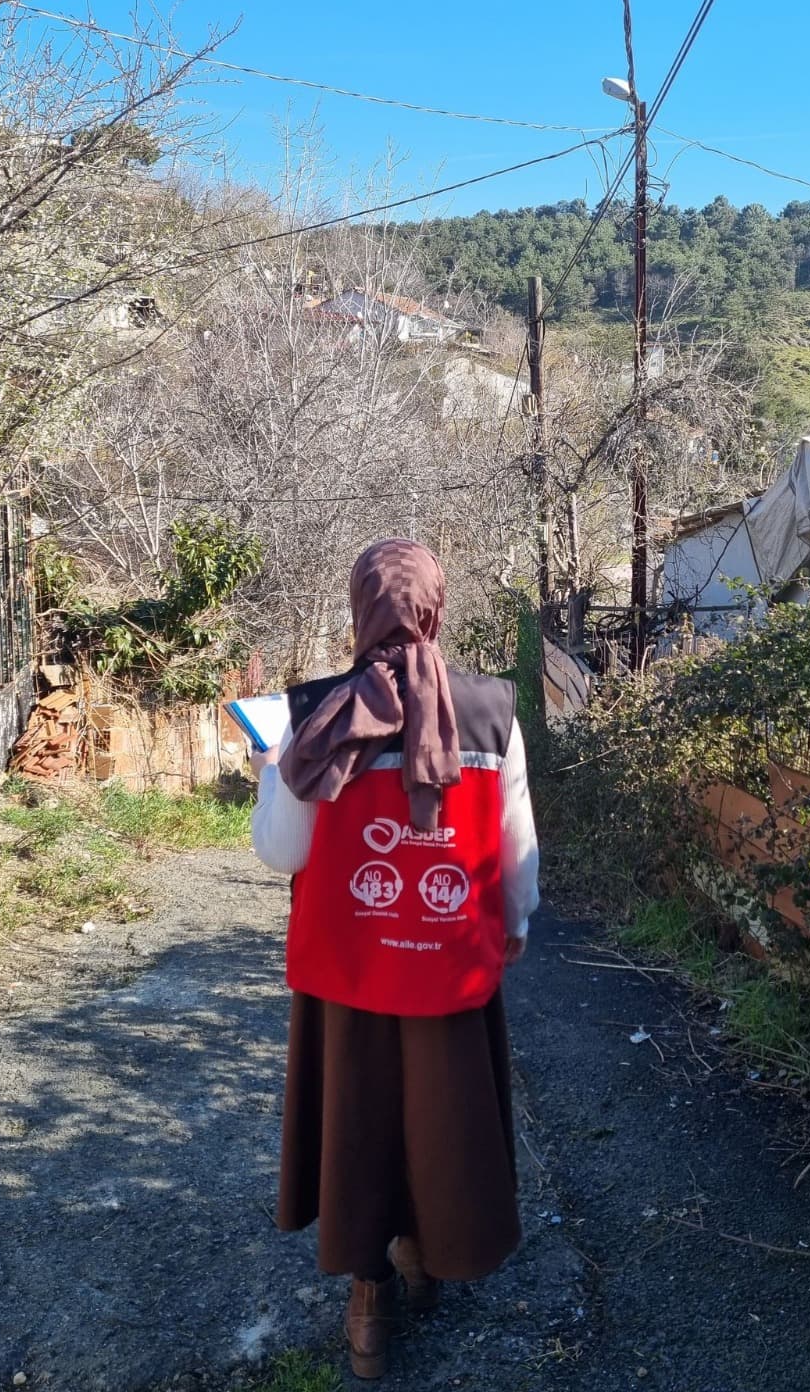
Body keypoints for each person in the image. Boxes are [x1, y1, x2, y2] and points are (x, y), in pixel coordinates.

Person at [251, 538, 540, 1380]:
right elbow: (515, 844)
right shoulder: (491, 711)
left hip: (348, 971)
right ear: (436, 608)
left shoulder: (314, 712)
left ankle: (369, 1298)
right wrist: (514, 920)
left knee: (359, 1120)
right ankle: (429, 1251)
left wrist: (276, 767)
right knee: (441, 1119)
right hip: (447, 965)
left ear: (357, 610)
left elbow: (280, 852)